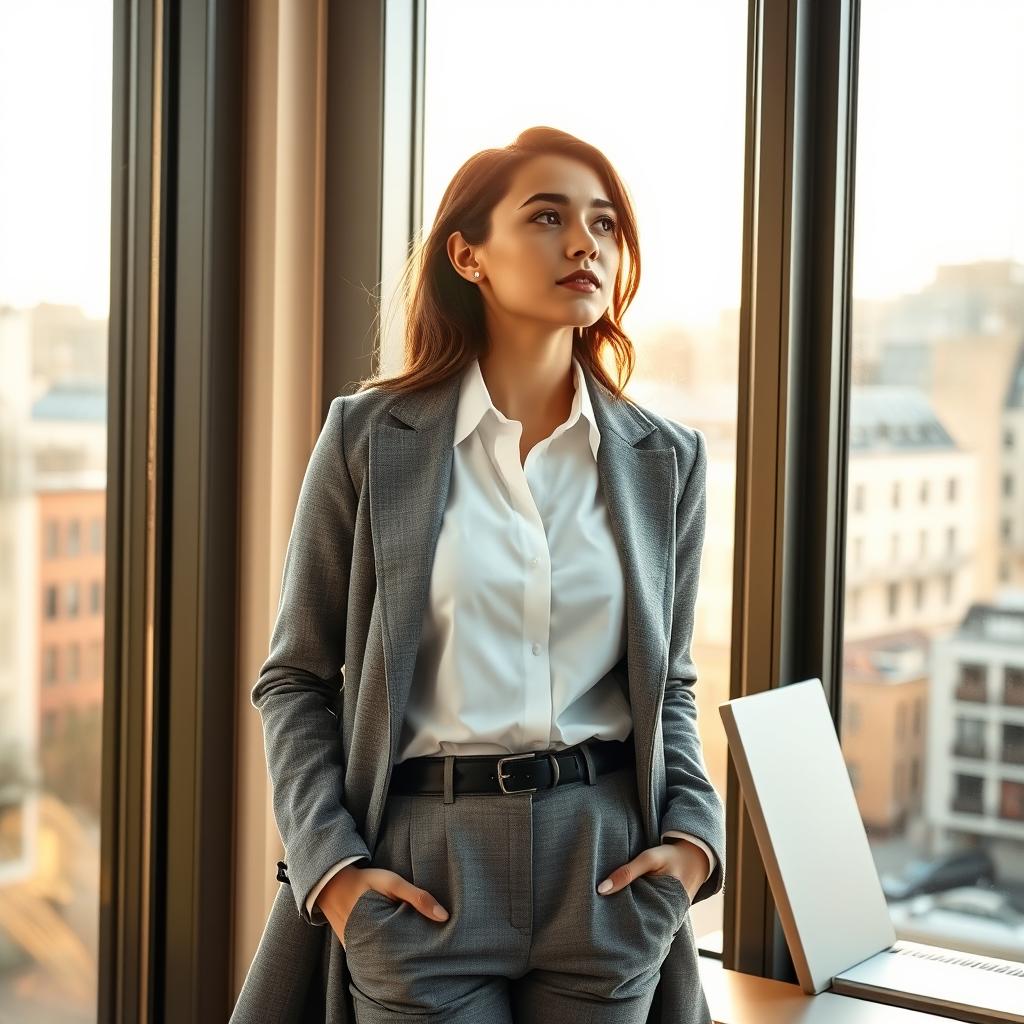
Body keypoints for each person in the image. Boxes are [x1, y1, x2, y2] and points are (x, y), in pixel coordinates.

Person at [231, 126, 725, 1024]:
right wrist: (334, 872)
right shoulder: (369, 440)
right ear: (469, 255)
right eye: (547, 217)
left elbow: (671, 685)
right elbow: (294, 678)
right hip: (425, 869)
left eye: (605, 224)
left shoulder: (668, 460)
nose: (586, 243)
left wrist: (693, 841)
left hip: (606, 870)